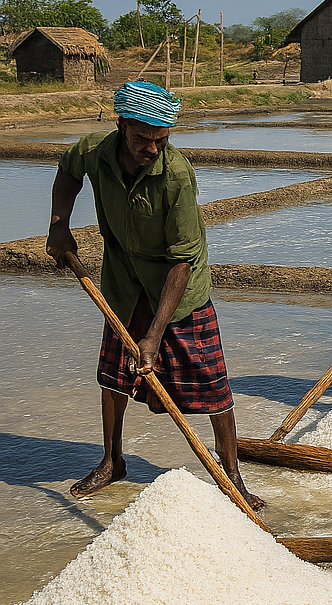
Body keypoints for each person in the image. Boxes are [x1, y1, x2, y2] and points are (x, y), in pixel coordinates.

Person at [44, 81, 263, 508]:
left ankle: (231, 474)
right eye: (144, 139)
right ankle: (112, 461)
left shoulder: (176, 176)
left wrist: (154, 334)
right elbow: (68, 170)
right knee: (112, 377)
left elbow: (182, 260)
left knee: (213, 385)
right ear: (122, 126)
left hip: (179, 291)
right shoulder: (95, 151)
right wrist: (58, 223)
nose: (153, 148)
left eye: (161, 140)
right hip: (124, 282)